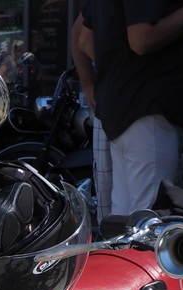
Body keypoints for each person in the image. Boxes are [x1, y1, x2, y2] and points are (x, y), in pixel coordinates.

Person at [90, 0, 183, 216]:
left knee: (126, 222)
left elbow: (82, 38)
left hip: (123, 110)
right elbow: (141, 39)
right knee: (151, 223)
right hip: (149, 110)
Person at [72, 3, 112, 222]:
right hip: (117, 103)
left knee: (113, 207)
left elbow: (81, 38)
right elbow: (81, 38)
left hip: (112, 103)